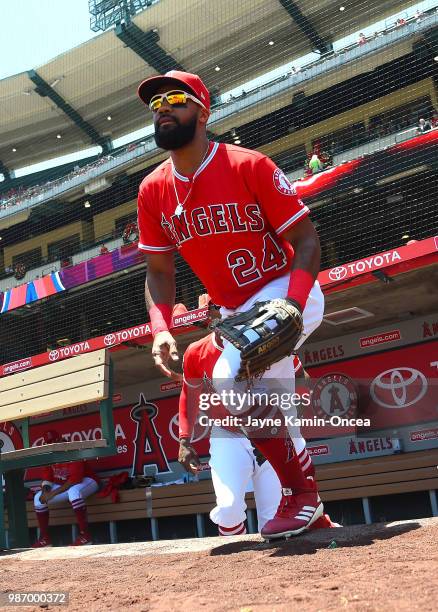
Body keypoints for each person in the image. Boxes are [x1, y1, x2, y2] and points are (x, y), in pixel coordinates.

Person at [136, 70, 325, 540]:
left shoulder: (248, 164)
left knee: (228, 376)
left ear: (203, 110)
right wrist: (161, 327)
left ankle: (302, 496)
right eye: (155, 103)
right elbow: (159, 274)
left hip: (285, 292)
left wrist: (295, 305)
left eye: (175, 99)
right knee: (275, 408)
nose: (163, 108)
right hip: (238, 315)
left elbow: (306, 242)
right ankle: (313, 510)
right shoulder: (152, 190)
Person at [174, 298, 338, 535]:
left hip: (272, 435)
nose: (226, 312)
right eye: (216, 307)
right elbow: (189, 395)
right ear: (210, 315)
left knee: (275, 522)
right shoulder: (196, 352)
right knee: (228, 510)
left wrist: (288, 420)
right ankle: (234, 566)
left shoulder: (268, 340)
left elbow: (301, 382)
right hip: (228, 435)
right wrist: (184, 439)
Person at [32, 430, 100, 548]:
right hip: (65, 485)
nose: (52, 444)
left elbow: (75, 480)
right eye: (49, 442)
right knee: (38, 498)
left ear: (60, 439)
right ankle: (45, 539)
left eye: (54, 441)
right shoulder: (49, 454)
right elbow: (47, 478)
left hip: (88, 481)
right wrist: (45, 492)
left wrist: (52, 494)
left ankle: (85, 536)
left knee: (74, 492)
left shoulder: (72, 450)